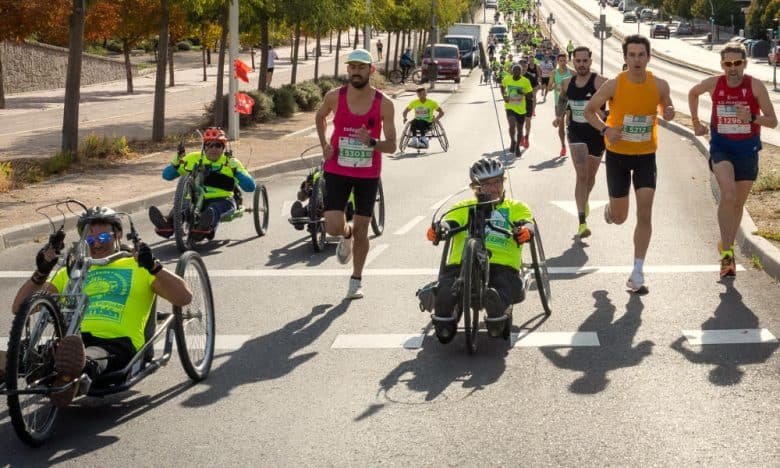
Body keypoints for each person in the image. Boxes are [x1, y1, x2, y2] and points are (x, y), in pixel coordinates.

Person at [10, 207, 192, 407]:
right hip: (72, 340)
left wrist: (154, 266)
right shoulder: (71, 273)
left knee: (89, 355)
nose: (96, 243)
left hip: (117, 343)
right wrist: (41, 272)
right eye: (89, 239)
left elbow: (183, 297)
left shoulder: (138, 266)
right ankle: (37, 368)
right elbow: (20, 308)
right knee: (43, 353)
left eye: (104, 237)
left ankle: (72, 373)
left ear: (119, 234)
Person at [584, 35, 675, 295]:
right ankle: (611, 211)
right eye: (632, 55)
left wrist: (668, 110)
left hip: (646, 155)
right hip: (618, 156)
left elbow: (666, 106)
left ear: (648, 57)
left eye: (641, 54)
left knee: (645, 212)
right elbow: (589, 111)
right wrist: (605, 130)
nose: (637, 59)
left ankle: (637, 272)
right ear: (624, 58)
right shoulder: (614, 85)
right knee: (621, 217)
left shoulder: (659, 84)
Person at [687, 42, 777, 278]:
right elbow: (693, 92)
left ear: (744, 64)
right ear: (722, 65)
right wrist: (696, 122)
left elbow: (773, 121)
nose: (733, 68)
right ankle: (727, 255)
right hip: (721, 148)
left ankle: (726, 244)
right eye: (728, 63)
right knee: (728, 195)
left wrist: (753, 117)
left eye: (737, 63)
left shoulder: (755, 86)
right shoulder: (715, 83)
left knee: (737, 204)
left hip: (747, 150)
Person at [315, 49, 397, 299]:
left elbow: (392, 145)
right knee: (332, 227)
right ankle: (346, 235)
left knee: (363, 228)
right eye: (352, 67)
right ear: (348, 70)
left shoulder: (384, 103)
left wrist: (372, 143)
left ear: (371, 71)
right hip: (337, 168)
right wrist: (324, 145)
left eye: (362, 68)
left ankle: (356, 279)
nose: (356, 72)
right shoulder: (334, 97)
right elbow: (319, 118)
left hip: (367, 174)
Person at [425, 159, 533, 342]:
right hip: (461, 266)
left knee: (501, 287)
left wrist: (526, 230)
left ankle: (497, 314)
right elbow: (450, 222)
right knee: (445, 294)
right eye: (487, 184)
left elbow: (526, 222)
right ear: (476, 187)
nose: (493, 188)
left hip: (501, 264)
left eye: (497, 182)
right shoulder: (463, 207)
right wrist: (439, 229)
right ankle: (446, 319)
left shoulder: (515, 207)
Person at [148, 127, 256, 241]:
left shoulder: (231, 162)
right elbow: (167, 176)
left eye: (218, 145)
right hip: (196, 200)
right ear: (204, 147)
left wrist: (236, 171)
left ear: (223, 148)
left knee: (213, 209)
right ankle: (167, 225)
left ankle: (203, 229)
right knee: (183, 207)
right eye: (209, 145)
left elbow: (250, 187)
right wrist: (175, 163)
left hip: (223, 200)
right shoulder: (193, 158)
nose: (213, 148)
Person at [554, 46, 608, 239]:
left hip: (597, 133)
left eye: (585, 61)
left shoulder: (600, 82)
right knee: (581, 174)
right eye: (578, 61)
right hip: (576, 131)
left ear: (590, 62)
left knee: (590, 176)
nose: (582, 65)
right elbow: (562, 100)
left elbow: (617, 103)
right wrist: (559, 117)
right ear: (573, 62)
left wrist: (605, 115)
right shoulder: (568, 83)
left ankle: (584, 201)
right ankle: (582, 221)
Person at [501, 63, 534, 157]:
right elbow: (502, 86)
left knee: (520, 129)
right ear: (512, 71)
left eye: (518, 70)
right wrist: (504, 95)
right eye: (514, 70)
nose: (516, 72)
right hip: (510, 106)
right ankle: (513, 141)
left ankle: (517, 147)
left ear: (521, 72)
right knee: (511, 125)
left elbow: (530, 95)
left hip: (521, 109)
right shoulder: (507, 79)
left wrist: (522, 92)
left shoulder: (525, 81)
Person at [550, 53, 573, 157]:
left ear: (567, 61)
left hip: (572, 103)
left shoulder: (572, 72)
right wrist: (555, 86)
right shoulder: (554, 73)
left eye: (564, 60)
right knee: (561, 126)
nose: (563, 63)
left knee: (572, 125)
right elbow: (549, 88)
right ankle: (563, 146)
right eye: (561, 61)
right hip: (559, 103)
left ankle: (574, 145)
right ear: (557, 62)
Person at [520, 57, 539, 149]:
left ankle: (526, 137)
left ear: (527, 67)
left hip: (528, 102)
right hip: (516, 103)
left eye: (524, 66)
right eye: (521, 66)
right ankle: (521, 137)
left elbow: (536, 89)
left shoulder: (531, 77)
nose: (523, 68)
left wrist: (530, 93)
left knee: (527, 121)